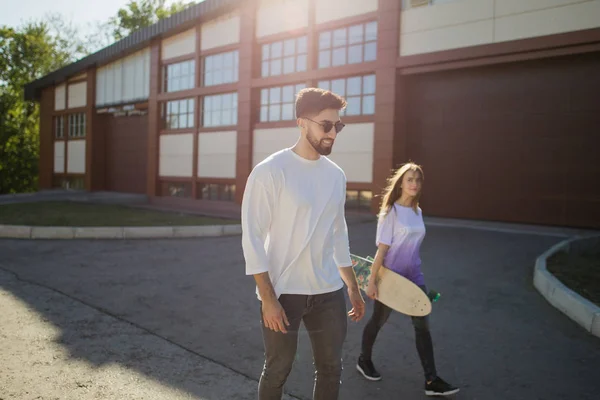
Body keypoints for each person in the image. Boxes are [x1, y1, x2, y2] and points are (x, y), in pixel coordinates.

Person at [241, 87, 366, 400]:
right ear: (301, 123)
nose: (333, 133)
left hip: (327, 291)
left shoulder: (336, 175)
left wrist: (351, 286)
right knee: (278, 368)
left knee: (331, 368)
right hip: (284, 293)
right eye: (326, 125)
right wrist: (268, 298)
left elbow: (337, 232)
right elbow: (252, 236)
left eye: (338, 126)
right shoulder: (271, 171)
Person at [355, 162, 459, 397]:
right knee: (378, 321)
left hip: (414, 276)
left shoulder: (417, 211)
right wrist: (372, 282)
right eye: (409, 179)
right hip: (391, 278)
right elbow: (381, 251)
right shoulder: (391, 212)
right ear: (401, 182)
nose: (414, 184)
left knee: (422, 323)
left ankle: (431, 380)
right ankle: (364, 359)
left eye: (417, 180)